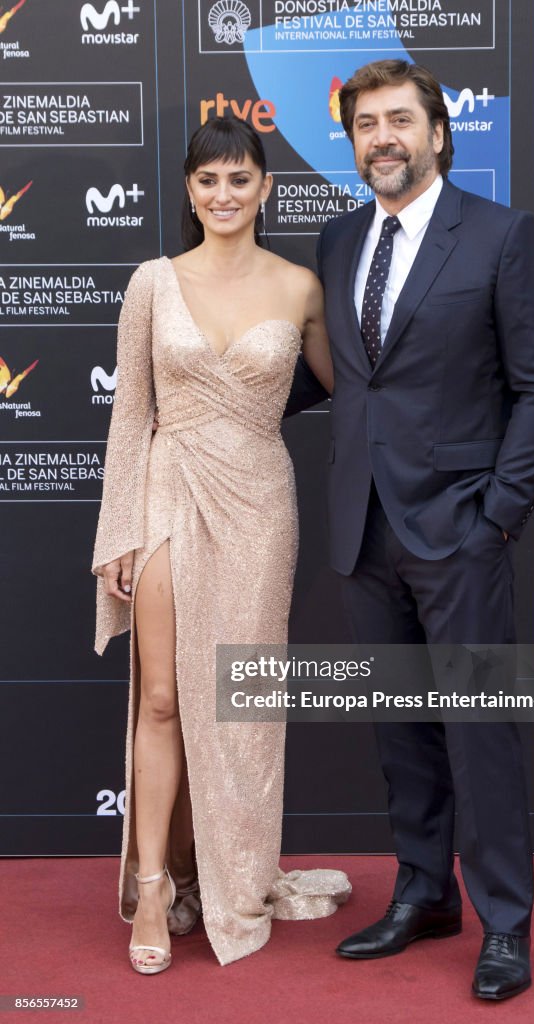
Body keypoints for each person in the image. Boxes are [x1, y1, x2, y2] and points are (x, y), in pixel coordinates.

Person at [287, 60, 534, 1000]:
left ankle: (506, 925)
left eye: (399, 120)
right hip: (362, 531)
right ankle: (423, 892)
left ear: (439, 134)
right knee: (402, 732)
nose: (382, 139)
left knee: (481, 734)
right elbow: (336, 377)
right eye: (365, 124)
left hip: (461, 530)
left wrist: (500, 516)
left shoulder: (500, 236)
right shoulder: (334, 242)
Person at [92, 116, 349, 975]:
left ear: (266, 188)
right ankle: (159, 882)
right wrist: (120, 531)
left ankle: (237, 873)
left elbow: (351, 388)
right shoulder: (151, 282)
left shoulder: (302, 286)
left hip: (260, 503)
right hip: (168, 488)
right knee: (162, 697)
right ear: (190, 191)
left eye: (240, 179)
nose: (224, 195)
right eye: (208, 181)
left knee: (241, 698)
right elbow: (130, 418)